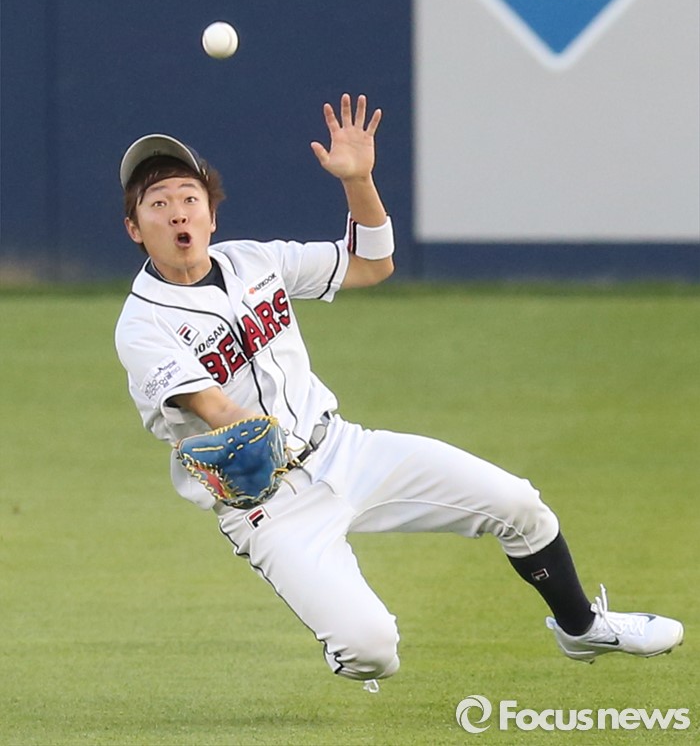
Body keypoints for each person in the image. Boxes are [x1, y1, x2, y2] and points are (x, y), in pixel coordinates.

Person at [114, 94, 683, 689]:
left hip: (344, 448)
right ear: (135, 228)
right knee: (373, 652)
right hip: (271, 506)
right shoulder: (143, 324)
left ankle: (582, 627)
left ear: (211, 216)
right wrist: (248, 433)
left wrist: (358, 180)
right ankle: (344, 634)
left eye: (189, 198)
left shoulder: (255, 261)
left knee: (518, 504)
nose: (177, 213)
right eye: (158, 203)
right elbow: (213, 406)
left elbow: (372, 264)